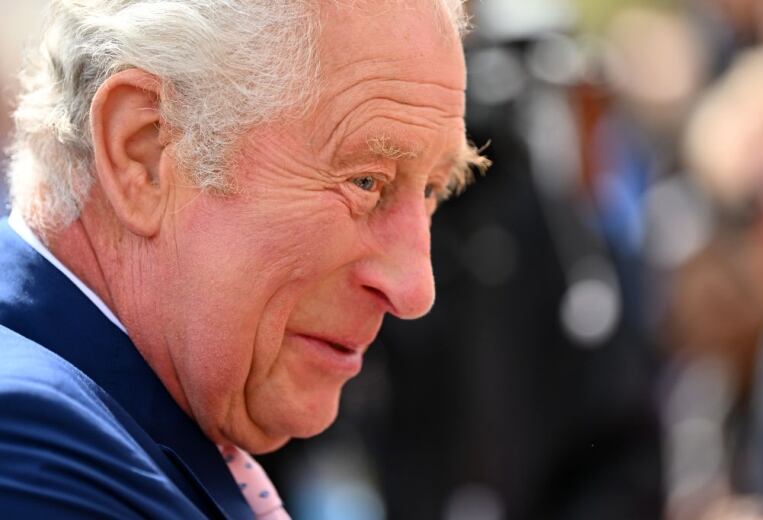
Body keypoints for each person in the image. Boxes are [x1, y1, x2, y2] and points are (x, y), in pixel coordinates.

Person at [0, 1, 489, 517]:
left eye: (435, 189)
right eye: (365, 182)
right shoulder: (29, 449)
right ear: (143, 153)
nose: (415, 290)